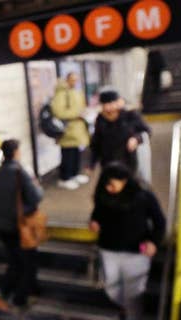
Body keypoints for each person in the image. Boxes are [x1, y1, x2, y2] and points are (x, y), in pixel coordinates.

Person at [89, 163, 166, 320]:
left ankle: (132, 315)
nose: (108, 188)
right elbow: (96, 215)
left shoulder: (144, 197)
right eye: (105, 184)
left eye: (111, 184)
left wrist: (153, 242)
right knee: (111, 287)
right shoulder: (104, 196)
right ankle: (125, 308)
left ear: (124, 180)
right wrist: (94, 222)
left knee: (134, 291)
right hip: (108, 249)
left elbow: (160, 222)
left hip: (136, 252)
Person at [0, 139, 43, 311]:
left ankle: (19, 294)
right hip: (21, 226)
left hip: (2, 226)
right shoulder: (20, 172)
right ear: (17, 152)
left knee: (15, 261)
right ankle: (16, 298)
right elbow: (36, 197)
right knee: (27, 263)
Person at [90, 90, 150, 173]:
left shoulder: (129, 115)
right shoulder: (100, 118)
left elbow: (146, 131)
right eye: (105, 104)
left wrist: (136, 139)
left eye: (111, 103)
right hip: (108, 162)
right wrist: (92, 163)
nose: (108, 107)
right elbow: (96, 141)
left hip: (128, 160)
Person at [51, 72, 91, 190]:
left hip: (78, 128)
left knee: (76, 153)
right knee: (67, 154)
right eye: (72, 80)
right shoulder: (61, 94)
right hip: (68, 130)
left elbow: (80, 107)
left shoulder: (76, 92)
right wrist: (77, 114)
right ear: (67, 80)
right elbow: (59, 112)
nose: (75, 82)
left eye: (76, 80)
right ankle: (65, 178)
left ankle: (74, 174)